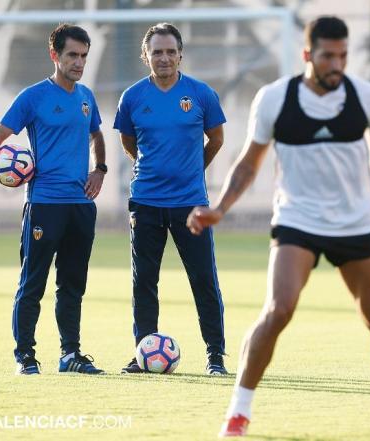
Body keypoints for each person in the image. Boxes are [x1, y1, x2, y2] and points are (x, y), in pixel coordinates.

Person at [187, 16, 370, 436]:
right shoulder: (275, 98)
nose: (337, 64)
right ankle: (238, 413)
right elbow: (248, 163)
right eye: (328, 56)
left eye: (343, 56)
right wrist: (220, 208)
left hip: (354, 225)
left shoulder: (366, 96)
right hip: (297, 220)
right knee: (278, 310)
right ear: (307, 56)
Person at [0, 24, 107, 375]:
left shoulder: (85, 97)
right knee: (33, 282)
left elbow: (97, 134)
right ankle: (25, 357)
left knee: (73, 284)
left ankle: (70, 355)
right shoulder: (33, 97)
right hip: (45, 204)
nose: (79, 63)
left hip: (80, 206)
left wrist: (100, 169)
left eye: (83, 56)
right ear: (55, 55)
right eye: (72, 55)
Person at [113, 23, 228, 375]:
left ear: (180, 54)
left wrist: (193, 170)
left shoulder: (201, 94)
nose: (164, 58)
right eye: (156, 52)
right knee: (144, 281)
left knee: (203, 279)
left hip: (190, 203)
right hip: (146, 202)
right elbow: (129, 144)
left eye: (170, 51)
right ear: (145, 55)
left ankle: (215, 356)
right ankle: (143, 351)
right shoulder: (132, 97)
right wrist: (154, 169)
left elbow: (216, 140)